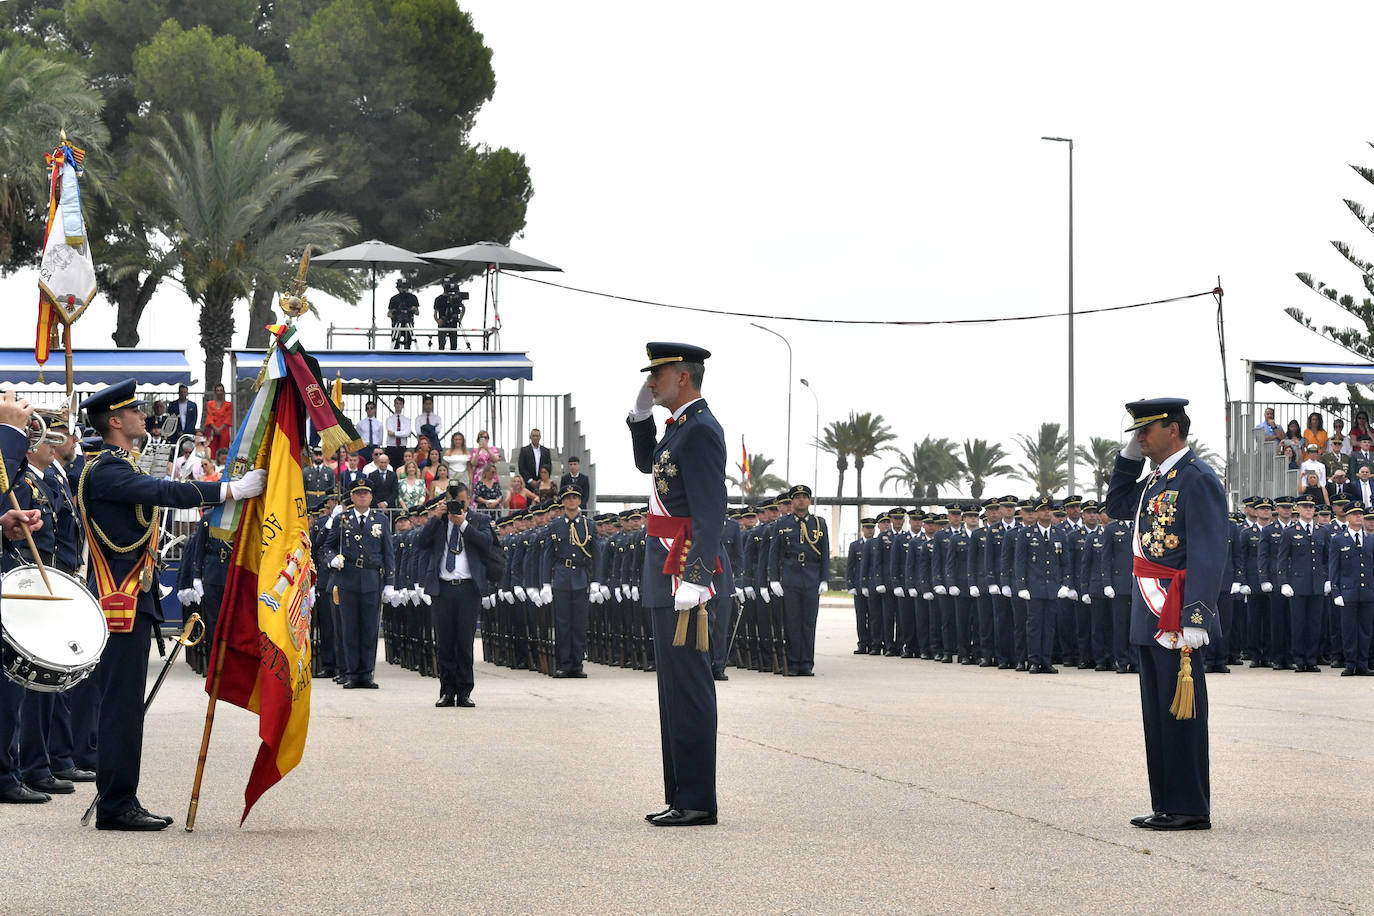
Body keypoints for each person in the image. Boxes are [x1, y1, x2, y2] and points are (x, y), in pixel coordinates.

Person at [76, 379, 265, 829]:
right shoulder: (105, 470)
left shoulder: (121, 465)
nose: (144, 414)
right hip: (119, 601)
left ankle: (121, 797)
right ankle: (116, 805)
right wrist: (229, 490)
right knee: (120, 705)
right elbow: (164, 493)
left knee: (124, 704)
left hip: (133, 598)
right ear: (116, 422)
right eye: (135, 410)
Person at [1104, 397, 1225, 832]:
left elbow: (1210, 553)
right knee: (1157, 716)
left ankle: (1190, 805)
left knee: (1182, 714)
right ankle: (1167, 804)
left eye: (1145, 431)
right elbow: (1116, 505)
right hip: (1149, 612)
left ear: (1172, 429)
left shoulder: (1197, 479)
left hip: (1176, 615)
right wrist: (1128, 459)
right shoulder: (1156, 479)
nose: (1139, 437)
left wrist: (1196, 618)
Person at [628, 341, 725, 828]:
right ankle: (680, 793)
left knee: (689, 688)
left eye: (656, 376)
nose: (650, 382)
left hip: (682, 569)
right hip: (664, 567)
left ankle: (698, 800)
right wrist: (639, 417)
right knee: (671, 690)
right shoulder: (678, 428)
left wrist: (697, 577)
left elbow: (711, 514)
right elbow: (650, 465)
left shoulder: (702, 430)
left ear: (682, 377)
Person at [418, 482, 492, 706]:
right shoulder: (440, 524)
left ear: (468, 499)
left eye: (460, 501)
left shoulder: (479, 520)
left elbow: (487, 544)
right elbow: (421, 542)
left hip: (468, 589)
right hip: (443, 588)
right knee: (445, 642)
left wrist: (464, 525)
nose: (456, 506)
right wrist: (435, 518)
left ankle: (465, 691)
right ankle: (447, 690)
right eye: (452, 502)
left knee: (465, 641)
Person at [323, 479, 397, 688]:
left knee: (369, 629)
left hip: (372, 579)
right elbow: (326, 547)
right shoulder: (342, 519)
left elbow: (387, 553)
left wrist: (390, 582)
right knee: (350, 628)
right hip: (347, 578)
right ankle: (352, 673)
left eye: (366, 493)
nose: (362, 496)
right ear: (352, 498)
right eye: (358, 493)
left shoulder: (380, 520)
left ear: (371, 497)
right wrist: (332, 559)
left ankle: (367, 673)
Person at [768, 484, 829, 675]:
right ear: (792, 501)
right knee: (792, 622)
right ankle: (794, 663)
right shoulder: (782, 523)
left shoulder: (819, 523)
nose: (801, 500)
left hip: (811, 577)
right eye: (797, 497)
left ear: (809, 501)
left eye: (804, 497)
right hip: (791, 577)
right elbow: (774, 553)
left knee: (809, 622)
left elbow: (825, 553)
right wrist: (774, 579)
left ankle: (807, 663)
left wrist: (824, 579)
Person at [543, 485, 600, 677]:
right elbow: (547, 556)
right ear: (563, 501)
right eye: (567, 498)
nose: (571, 501)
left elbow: (597, 555)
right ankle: (564, 664)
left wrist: (596, 582)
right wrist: (545, 583)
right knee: (563, 623)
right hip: (561, 577)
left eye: (575, 497)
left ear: (580, 500)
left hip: (581, 577)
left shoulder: (588, 525)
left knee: (580, 623)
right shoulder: (555, 526)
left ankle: (577, 665)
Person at [1328, 504, 1374, 676]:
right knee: (1348, 630)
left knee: (1365, 630)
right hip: (1348, 592)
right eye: (1354, 514)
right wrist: (1336, 592)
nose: (1359, 517)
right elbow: (1334, 568)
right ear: (1347, 518)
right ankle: (1350, 663)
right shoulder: (1339, 539)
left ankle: (1362, 663)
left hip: (1368, 592)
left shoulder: (1370, 540)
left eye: (1360, 514)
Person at [848, 518, 876, 654]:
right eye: (867, 528)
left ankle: (873, 642)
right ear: (862, 529)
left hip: (872, 586)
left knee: (873, 616)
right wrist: (850, 585)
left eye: (872, 528)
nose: (870, 530)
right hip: (859, 586)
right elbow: (850, 566)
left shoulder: (878, 544)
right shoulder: (855, 545)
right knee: (861, 616)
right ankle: (862, 643)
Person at [433, 277, 468, 350]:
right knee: (441, 344)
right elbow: (435, 313)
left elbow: (463, 308)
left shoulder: (455, 298)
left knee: (454, 344)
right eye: (445, 284)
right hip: (443, 322)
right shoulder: (439, 299)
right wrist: (438, 321)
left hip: (453, 322)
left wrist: (459, 319)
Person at [387, 278, 419, 350]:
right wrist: (393, 313)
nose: (403, 289)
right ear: (398, 288)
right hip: (396, 324)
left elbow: (417, 312)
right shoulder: (394, 299)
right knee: (395, 343)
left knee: (408, 343)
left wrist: (412, 309)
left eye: (405, 288)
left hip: (409, 323)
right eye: (401, 287)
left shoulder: (413, 298)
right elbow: (389, 313)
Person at [519, 428, 553, 492]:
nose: (535, 438)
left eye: (537, 436)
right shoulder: (524, 450)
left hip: (543, 484)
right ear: (530, 437)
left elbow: (549, 466)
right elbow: (521, 467)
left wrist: (542, 479)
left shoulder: (546, 451)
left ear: (540, 437)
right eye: (533, 436)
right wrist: (530, 481)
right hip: (528, 484)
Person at [202, 383, 233, 456]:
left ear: (224, 392)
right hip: (211, 430)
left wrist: (219, 429)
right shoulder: (209, 403)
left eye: (221, 390)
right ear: (215, 392)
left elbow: (228, 418)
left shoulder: (228, 404)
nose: (219, 392)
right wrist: (215, 429)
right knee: (210, 449)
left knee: (223, 450)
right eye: (217, 390)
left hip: (224, 430)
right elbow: (209, 416)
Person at [302, 445, 335, 512]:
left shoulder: (329, 471)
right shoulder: (306, 471)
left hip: (324, 501)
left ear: (323, 456)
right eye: (316, 455)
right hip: (310, 501)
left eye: (320, 455)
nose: (318, 457)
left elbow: (332, 488)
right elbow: (303, 488)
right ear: (313, 456)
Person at [384, 397, 412, 468]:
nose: (398, 405)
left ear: (403, 406)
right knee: (390, 468)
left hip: (402, 448)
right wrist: (402, 433)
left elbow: (407, 433)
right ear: (394, 405)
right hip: (391, 448)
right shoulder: (389, 419)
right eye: (396, 403)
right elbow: (390, 433)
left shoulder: (407, 420)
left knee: (403, 468)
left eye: (400, 404)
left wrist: (395, 433)